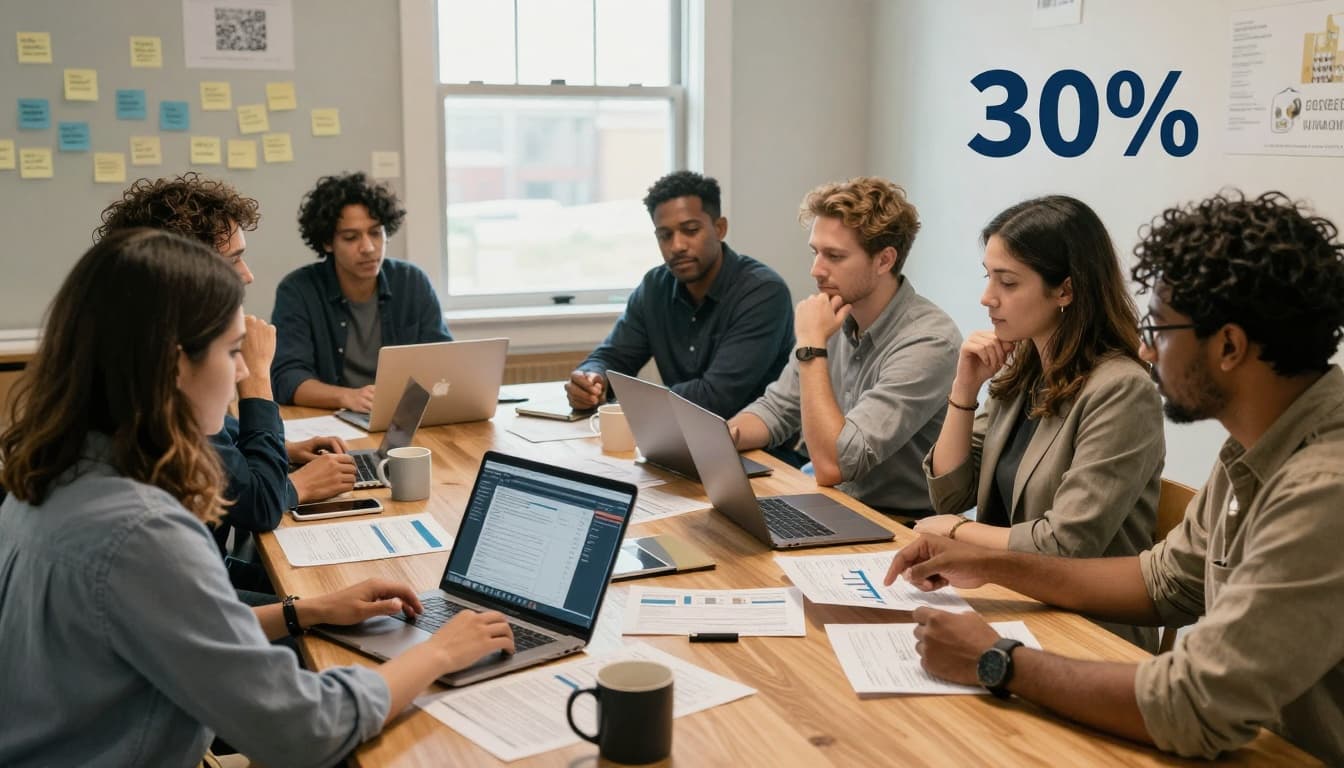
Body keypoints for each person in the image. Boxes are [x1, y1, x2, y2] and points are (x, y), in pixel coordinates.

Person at [0, 229, 515, 767]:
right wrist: (440, 652)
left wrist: (306, 609)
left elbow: (176, 631)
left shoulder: (52, 472)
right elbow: (306, 729)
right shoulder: (141, 529)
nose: (244, 371)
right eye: (231, 352)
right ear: (175, 367)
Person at [883, 191, 1344, 763]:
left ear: (1228, 345)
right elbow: (1166, 583)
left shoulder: (1324, 488)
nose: (1148, 349)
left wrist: (997, 659)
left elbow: (1195, 703)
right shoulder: (1253, 448)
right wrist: (987, 562)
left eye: (1161, 329)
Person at [913, 196, 1164, 649]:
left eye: (1007, 282)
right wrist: (964, 389)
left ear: (1065, 291)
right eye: (988, 277)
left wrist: (953, 532)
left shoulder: (1123, 390)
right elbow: (950, 493)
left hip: (1088, 631)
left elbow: (1066, 545)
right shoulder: (1025, 366)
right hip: (1008, 601)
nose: (987, 298)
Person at [96, 174, 356, 584]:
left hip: (202, 578)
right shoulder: (167, 377)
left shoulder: (135, 353)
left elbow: (218, 439)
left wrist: (283, 449)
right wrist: (257, 382)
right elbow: (260, 504)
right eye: (234, 259)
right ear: (188, 272)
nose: (248, 275)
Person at [728, 177, 960, 517]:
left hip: (896, 524)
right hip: (831, 503)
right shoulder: (834, 311)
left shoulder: (929, 341)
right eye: (816, 252)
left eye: (834, 256)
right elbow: (777, 409)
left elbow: (835, 464)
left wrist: (811, 347)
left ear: (884, 261)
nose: (816, 270)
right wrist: (716, 441)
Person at [565, 171, 794, 417]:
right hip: (675, 438)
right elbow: (613, 357)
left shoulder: (763, 292)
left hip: (755, 447)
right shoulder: (655, 287)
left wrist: (629, 404)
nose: (677, 246)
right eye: (665, 235)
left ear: (719, 228)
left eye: (691, 230)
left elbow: (716, 398)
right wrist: (592, 379)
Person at [272, 171, 451, 409]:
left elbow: (444, 362)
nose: (368, 248)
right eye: (350, 237)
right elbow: (287, 378)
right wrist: (346, 396)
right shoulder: (298, 290)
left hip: (402, 415)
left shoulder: (411, 281)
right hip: (331, 420)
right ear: (328, 243)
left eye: (376, 233)